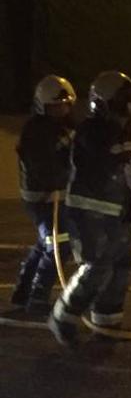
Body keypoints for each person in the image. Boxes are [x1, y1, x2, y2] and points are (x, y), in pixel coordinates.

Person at [49, 71, 131, 346]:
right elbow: (94, 166)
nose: (130, 108)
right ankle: (62, 317)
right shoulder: (91, 131)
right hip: (91, 212)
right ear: (106, 102)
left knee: (121, 266)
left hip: (118, 209)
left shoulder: (124, 128)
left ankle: (106, 320)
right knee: (96, 266)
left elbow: (126, 164)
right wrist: (120, 161)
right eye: (124, 101)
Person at [10, 75, 77, 316]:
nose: (61, 109)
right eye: (55, 106)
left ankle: (22, 292)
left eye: (64, 104)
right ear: (42, 106)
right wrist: (63, 177)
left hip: (57, 196)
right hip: (41, 198)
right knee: (59, 245)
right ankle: (38, 297)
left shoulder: (69, 126)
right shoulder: (35, 131)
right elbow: (41, 166)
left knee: (44, 244)